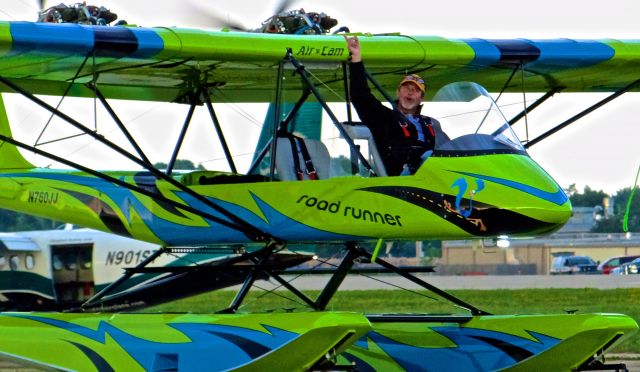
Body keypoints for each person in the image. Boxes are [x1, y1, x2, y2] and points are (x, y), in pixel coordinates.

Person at [344, 35, 449, 176]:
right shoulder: (384, 117)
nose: (411, 92)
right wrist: (356, 59)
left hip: (432, 178)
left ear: (421, 98)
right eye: (406, 87)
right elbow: (360, 96)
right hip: (399, 180)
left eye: (416, 90)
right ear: (398, 92)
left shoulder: (432, 124)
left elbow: (450, 151)